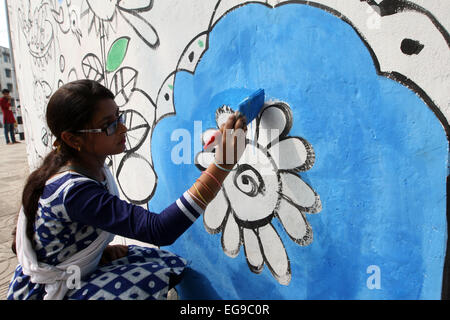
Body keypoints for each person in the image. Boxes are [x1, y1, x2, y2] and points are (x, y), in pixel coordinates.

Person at [7, 79, 247, 300]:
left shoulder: (91, 169)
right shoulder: (74, 192)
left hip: (72, 269)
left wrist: (93, 255)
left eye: (119, 118)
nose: (122, 129)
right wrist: (221, 167)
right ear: (72, 139)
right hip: (51, 290)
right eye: (108, 126)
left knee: (161, 263)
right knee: (141, 283)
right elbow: (160, 230)